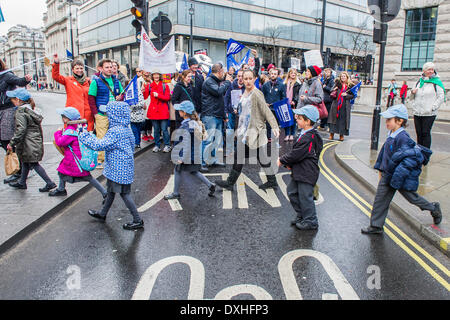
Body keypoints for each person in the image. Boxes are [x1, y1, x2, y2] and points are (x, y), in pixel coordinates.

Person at [361, 104, 442, 235]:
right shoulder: (392, 134)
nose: (386, 122)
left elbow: (408, 161)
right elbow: (385, 154)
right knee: (380, 200)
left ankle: (433, 208)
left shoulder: (403, 138)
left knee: (412, 198)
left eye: (389, 120)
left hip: (400, 177)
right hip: (389, 175)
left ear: (399, 121)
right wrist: (380, 169)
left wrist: (396, 180)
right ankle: (376, 226)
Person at [81, 101, 144, 231]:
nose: (107, 115)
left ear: (114, 115)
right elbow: (132, 145)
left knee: (124, 194)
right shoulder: (127, 128)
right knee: (110, 191)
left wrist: (84, 136)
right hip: (122, 167)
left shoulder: (115, 131)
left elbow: (99, 145)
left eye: (108, 113)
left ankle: (137, 220)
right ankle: (103, 213)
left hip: (118, 169)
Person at [215, 70, 280, 191]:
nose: (248, 81)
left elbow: (266, 111)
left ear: (255, 78)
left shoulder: (256, 93)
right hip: (244, 132)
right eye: (246, 79)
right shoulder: (244, 92)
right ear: (242, 80)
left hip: (254, 131)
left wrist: (275, 126)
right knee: (251, 157)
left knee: (252, 157)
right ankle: (272, 181)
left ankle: (230, 183)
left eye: (250, 78)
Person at [278, 105, 323, 230]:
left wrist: (282, 160)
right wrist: (290, 165)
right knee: (292, 192)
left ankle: (311, 221)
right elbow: (298, 154)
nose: (296, 119)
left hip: (306, 172)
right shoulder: (304, 133)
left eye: (299, 118)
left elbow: (297, 154)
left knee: (305, 197)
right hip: (300, 171)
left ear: (308, 121)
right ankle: (302, 215)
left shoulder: (310, 137)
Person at [50, 107, 107, 198]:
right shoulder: (81, 127)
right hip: (80, 157)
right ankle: (104, 192)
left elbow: (60, 142)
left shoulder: (70, 131)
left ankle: (104, 192)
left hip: (74, 160)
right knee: (64, 172)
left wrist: (58, 132)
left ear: (66, 119)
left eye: (63, 117)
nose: (62, 119)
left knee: (67, 172)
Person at [6, 88, 57, 192]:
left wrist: (12, 143)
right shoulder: (30, 109)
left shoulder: (20, 111)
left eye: (12, 99)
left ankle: (50, 183)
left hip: (28, 142)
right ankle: (22, 182)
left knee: (34, 163)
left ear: (18, 100)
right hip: (33, 141)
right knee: (25, 162)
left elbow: (21, 129)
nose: (12, 101)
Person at [164, 101, 216, 200]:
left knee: (177, 170)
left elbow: (186, 143)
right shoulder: (194, 123)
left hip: (187, 155)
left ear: (184, 113)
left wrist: (182, 158)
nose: (178, 111)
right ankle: (210, 185)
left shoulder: (186, 126)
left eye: (180, 110)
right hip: (194, 154)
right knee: (193, 171)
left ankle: (175, 193)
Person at [0, 59, 32, 184]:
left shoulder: (6, 75)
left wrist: (25, 79)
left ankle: (19, 170)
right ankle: (21, 168)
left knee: (7, 140)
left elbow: (18, 81)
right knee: (3, 141)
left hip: (7, 109)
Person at [88, 59, 124, 167]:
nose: (110, 69)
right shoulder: (96, 81)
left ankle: (113, 158)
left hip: (114, 114)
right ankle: (100, 160)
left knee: (115, 136)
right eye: (107, 67)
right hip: (102, 114)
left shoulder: (116, 81)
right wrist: (95, 114)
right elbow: (91, 98)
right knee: (102, 137)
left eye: (111, 67)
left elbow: (122, 93)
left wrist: (120, 97)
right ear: (100, 69)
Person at [199, 63, 233, 172]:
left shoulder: (215, 82)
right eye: (223, 71)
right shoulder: (209, 81)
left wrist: (223, 115)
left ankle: (212, 160)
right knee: (208, 140)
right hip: (210, 115)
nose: (224, 74)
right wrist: (227, 81)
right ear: (219, 71)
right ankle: (202, 163)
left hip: (217, 114)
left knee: (216, 140)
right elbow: (219, 92)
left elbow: (220, 100)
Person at [52, 54, 94, 131]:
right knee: (73, 136)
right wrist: (56, 63)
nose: (79, 70)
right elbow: (56, 76)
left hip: (87, 114)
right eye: (77, 68)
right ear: (72, 69)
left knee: (87, 137)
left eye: (81, 68)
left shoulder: (89, 81)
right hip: (73, 114)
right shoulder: (68, 80)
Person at [411, 62, 446, 149]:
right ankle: (419, 152)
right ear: (424, 70)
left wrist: (433, 107)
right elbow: (412, 96)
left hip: (429, 113)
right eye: (428, 69)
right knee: (418, 133)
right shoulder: (419, 81)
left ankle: (425, 154)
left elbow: (441, 97)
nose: (431, 71)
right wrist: (412, 92)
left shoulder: (436, 82)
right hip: (417, 112)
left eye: (432, 69)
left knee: (425, 133)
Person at [143, 70, 172, 153]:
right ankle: (157, 145)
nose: (156, 76)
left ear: (160, 76)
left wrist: (158, 95)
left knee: (164, 129)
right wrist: (144, 90)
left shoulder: (164, 85)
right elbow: (145, 96)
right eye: (154, 75)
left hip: (163, 110)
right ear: (152, 76)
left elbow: (167, 97)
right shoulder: (149, 86)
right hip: (154, 111)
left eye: (157, 75)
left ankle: (167, 145)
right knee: (156, 129)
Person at [328, 71, 354, 142]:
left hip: (344, 105)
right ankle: (331, 134)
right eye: (341, 76)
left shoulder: (350, 86)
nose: (343, 77)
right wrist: (334, 89)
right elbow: (331, 91)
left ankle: (341, 135)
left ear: (347, 77)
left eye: (344, 76)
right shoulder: (337, 84)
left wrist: (346, 95)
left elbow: (352, 96)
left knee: (342, 120)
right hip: (336, 104)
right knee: (333, 119)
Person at [261, 67, 286, 141]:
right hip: (268, 107)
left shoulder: (281, 85)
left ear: (277, 75)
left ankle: (275, 136)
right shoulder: (265, 85)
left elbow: (283, 96)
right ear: (269, 74)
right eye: (272, 74)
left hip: (277, 107)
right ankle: (269, 137)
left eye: (275, 74)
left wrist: (281, 104)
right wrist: (264, 103)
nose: (273, 75)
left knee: (276, 123)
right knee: (268, 123)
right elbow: (262, 95)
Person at [284, 68, 301, 141]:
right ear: (289, 74)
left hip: (293, 104)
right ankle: (287, 134)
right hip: (285, 104)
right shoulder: (284, 83)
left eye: (294, 73)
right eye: (292, 73)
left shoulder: (297, 84)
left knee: (293, 120)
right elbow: (283, 93)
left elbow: (298, 94)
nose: (293, 74)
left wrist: (294, 100)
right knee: (286, 120)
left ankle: (292, 134)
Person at [129, 81, 146, 149]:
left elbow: (142, 103)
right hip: (131, 115)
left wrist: (133, 105)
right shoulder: (129, 93)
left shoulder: (139, 93)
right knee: (134, 130)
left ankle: (137, 142)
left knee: (138, 130)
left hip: (138, 115)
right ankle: (136, 142)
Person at [141, 71, 154, 142]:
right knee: (144, 119)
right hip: (144, 101)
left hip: (150, 101)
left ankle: (149, 133)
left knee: (150, 119)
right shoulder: (140, 80)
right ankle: (143, 133)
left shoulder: (152, 82)